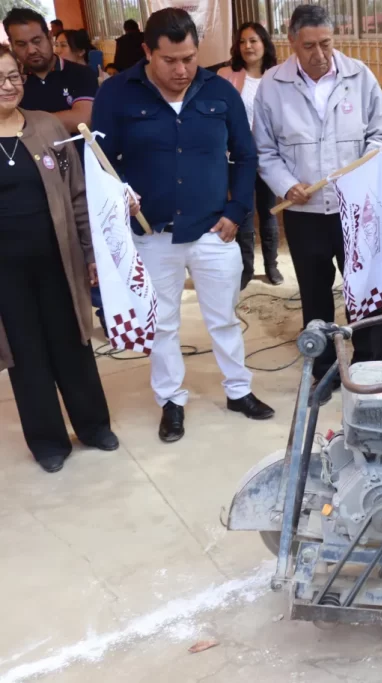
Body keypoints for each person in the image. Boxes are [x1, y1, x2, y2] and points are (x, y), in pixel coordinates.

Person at [91, 8, 274, 443]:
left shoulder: (219, 90)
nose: (182, 69)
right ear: (147, 53)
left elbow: (246, 156)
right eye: (170, 60)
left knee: (224, 318)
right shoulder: (117, 94)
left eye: (189, 58)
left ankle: (238, 390)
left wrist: (236, 213)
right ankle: (171, 401)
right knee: (163, 323)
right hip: (151, 235)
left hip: (214, 230)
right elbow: (100, 166)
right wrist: (119, 198)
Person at [253, 4, 382, 403]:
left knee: (365, 294)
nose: (320, 54)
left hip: (355, 210)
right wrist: (286, 185)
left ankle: (369, 369)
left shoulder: (359, 76)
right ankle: (324, 370)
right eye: (309, 46)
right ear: (291, 43)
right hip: (305, 214)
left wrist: (362, 175)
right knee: (315, 297)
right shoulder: (271, 85)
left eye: (326, 44)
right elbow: (265, 151)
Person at [0, 45, 119, 473]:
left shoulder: (47, 127)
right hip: (6, 275)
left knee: (73, 343)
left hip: (57, 260)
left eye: (13, 76)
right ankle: (48, 441)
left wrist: (90, 253)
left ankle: (93, 425)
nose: (7, 86)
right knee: (25, 354)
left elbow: (79, 196)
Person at [218, 22, 283, 289]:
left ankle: (271, 266)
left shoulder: (277, 76)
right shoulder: (226, 75)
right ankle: (246, 268)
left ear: (265, 44)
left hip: (268, 156)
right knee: (242, 213)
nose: (248, 46)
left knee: (268, 213)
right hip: (238, 156)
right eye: (243, 41)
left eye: (253, 41)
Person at [3, 8, 96, 135]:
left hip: (76, 154)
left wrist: (19, 124)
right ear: (11, 45)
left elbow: (82, 120)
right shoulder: (11, 83)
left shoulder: (81, 73)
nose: (31, 50)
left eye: (37, 41)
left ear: (50, 37)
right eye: (21, 44)